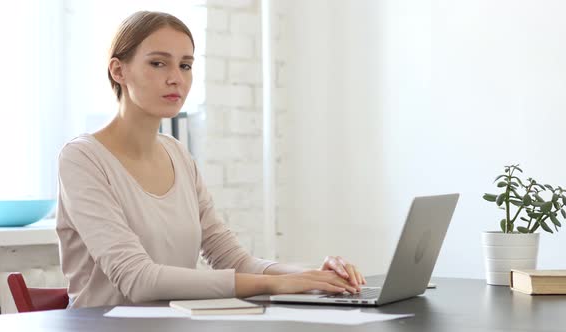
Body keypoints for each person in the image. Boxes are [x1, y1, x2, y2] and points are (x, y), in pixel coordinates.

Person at [56, 11, 365, 309]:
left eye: (186, 65)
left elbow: (234, 260)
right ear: (118, 70)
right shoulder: (82, 158)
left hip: (176, 323)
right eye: (158, 63)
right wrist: (272, 284)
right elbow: (138, 280)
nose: (176, 78)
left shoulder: (178, 155)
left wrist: (313, 277)